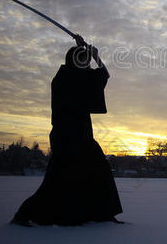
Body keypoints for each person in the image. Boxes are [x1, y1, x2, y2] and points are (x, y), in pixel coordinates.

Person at [11, 35, 123, 226]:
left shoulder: (71, 75)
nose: (86, 65)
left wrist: (86, 51)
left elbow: (99, 75)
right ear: (75, 61)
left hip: (83, 136)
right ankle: (26, 215)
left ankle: (101, 214)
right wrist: (93, 54)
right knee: (59, 179)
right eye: (83, 61)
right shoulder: (66, 78)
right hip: (67, 137)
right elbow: (101, 74)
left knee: (98, 172)